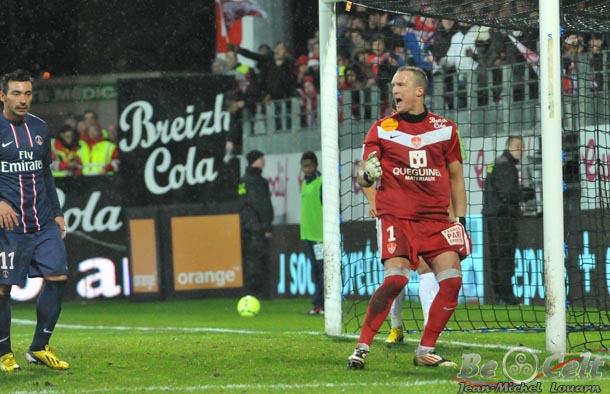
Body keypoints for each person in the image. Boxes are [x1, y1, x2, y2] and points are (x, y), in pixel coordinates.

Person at [347, 66, 471, 369]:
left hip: (437, 221)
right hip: (396, 218)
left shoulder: (446, 128)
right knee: (396, 280)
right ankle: (362, 347)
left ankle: (425, 350)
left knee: (452, 281)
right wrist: (365, 175)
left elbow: (456, 176)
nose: (395, 90)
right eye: (393, 85)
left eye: (400, 84)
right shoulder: (382, 128)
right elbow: (364, 175)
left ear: (420, 90)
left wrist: (460, 219)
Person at [0, 69, 70, 371]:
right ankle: (3, 353)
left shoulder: (40, 128)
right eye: (16, 93)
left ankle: (39, 348)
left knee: (58, 277)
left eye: (27, 93)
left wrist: (56, 212)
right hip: (8, 227)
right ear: (3, 96)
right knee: (3, 290)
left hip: (42, 220)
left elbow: (45, 174)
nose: (23, 99)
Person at [362, 178, 439, 343]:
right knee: (397, 272)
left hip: (422, 209)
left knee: (426, 265)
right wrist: (375, 202)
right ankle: (396, 326)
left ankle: (430, 330)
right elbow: (364, 174)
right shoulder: (377, 151)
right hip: (391, 214)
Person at [482, 136, 534, 305]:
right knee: (505, 257)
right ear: (507, 146)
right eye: (517, 146)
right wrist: (526, 194)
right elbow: (508, 194)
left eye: (522, 147)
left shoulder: (496, 163)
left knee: (497, 257)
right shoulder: (505, 165)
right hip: (502, 218)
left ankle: (498, 295)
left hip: (493, 216)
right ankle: (507, 296)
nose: (520, 150)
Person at [238, 150, 274, 300]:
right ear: (256, 161)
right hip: (256, 229)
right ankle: (256, 294)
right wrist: (263, 227)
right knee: (257, 262)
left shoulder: (244, 181)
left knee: (253, 261)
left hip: (249, 228)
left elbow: (244, 205)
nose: (264, 161)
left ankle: (253, 293)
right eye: (261, 158)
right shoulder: (256, 181)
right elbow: (259, 206)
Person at [300, 151, 324, 315]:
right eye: (304, 166)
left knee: (323, 272)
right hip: (309, 235)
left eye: (309, 165)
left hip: (321, 237)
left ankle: (322, 304)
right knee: (316, 272)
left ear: (316, 165)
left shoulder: (322, 182)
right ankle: (318, 305)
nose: (306, 169)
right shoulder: (304, 183)